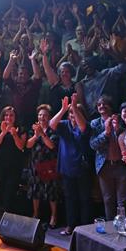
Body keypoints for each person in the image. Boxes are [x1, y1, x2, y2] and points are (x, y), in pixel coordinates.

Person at [49, 94, 90, 236]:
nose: (73, 115)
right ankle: (71, 225)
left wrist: (74, 107)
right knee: (70, 198)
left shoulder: (85, 125)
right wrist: (63, 110)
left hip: (82, 168)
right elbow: (51, 124)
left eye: (75, 112)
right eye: (71, 113)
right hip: (67, 167)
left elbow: (83, 127)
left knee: (84, 199)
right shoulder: (64, 125)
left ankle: (85, 230)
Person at [90, 96, 126, 220]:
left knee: (123, 201)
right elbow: (93, 145)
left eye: (105, 104)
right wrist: (106, 133)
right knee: (108, 200)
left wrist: (117, 129)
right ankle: (110, 229)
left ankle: (123, 227)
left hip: (121, 165)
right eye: (99, 105)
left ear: (111, 106)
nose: (102, 106)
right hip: (104, 166)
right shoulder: (95, 123)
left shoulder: (121, 119)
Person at [25, 104, 60, 228]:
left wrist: (42, 134)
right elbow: (28, 145)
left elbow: (51, 146)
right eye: (40, 115)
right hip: (35, 164)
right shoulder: (33, 129)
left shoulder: (53, 130)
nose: (42, 117)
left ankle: (53, 216)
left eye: (44, 115)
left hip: (49, 165)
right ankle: (35, 214)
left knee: (51, 192)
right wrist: (36, 135)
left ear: (49, 117)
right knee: (35, 191)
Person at [0, 106, 27, 214]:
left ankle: (8, 213)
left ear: (15, 117)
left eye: (11, 115)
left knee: (10, 190)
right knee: (3, 189)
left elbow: (21, 146)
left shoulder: (21, 129)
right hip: (1, 163)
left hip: (15, 165)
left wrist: (14, 134)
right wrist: (3, 132)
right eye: (6, 115)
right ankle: (7, 212)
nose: (8, 117)